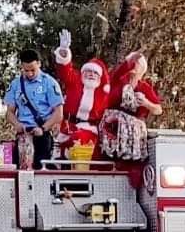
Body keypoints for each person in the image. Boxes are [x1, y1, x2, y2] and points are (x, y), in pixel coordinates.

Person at [95, 51, 163, 188]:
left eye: (136, 64)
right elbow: (120, 70)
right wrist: (131, 59)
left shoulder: (145, 87)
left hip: (132, 133)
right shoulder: (118, 80)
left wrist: (145, 103)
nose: (133, 66)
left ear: (142, 69)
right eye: (132, 63)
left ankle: (132, 183)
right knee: (105, 155)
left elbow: (158, 109)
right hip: (112, 127)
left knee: (132, 161)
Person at [52, 29, 111, 160]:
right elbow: (64, 70)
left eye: (95, 73)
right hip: (67, 126)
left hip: (89, 131)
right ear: (82, 73)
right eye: (88, 71)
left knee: (78, 142)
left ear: (100, 78)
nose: (91, 74)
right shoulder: (75, 81)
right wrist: (64, 51)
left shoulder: (104, 93)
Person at [4, 48, 64, 170]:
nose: (29, 74)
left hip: (42, 134)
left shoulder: (49, 83)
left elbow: (59, 113)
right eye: (26, 70)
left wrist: (43, 128)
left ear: (39, 64)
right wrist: (17, 124)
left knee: (40, 170)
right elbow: (9, 113)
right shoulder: (16, 84)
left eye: (33, 70)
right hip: (23, 135)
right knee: (21, 170)